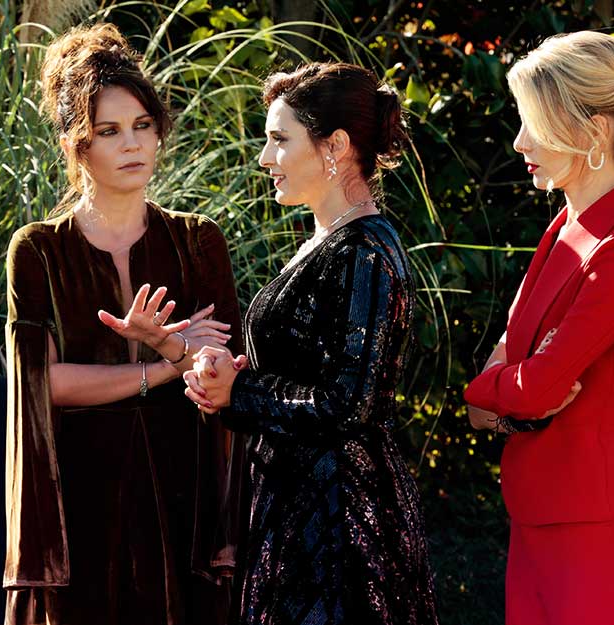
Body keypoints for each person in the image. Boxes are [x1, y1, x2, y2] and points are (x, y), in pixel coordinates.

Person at [2, 23, 247, 625]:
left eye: (142, 126)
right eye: (109, 131)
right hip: (78, 505)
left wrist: (184, 355)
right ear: (76, 145)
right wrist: (165, 365)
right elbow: (41, 385)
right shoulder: (37, 250)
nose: (132, 144)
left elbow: (226, 372)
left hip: (182, 501)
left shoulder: (198, 241)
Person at [183, 62, 439, 625]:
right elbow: (307, 377)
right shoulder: (330, 241)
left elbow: (349, 403)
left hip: (340, 527)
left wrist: (241, 392)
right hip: (302, 509)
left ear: (336, 147)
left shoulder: (364, 252)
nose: (264, 158)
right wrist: (227, 377)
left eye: (280, 140)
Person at [463, 31, 614, 625]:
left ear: (592, 131)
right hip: (535, 528)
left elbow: (537, 386)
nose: (519, 141)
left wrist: (494, 395)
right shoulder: (563, 227)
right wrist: (505, 397)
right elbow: (511, 382)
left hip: (593, 544)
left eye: (534, 123)